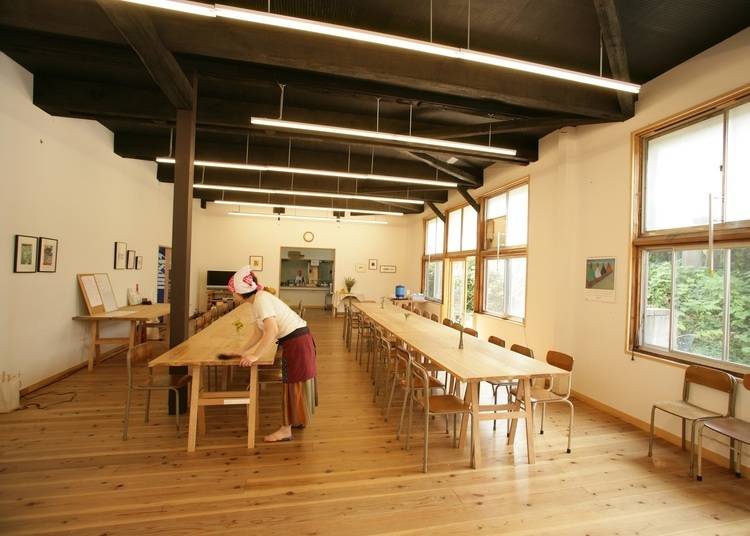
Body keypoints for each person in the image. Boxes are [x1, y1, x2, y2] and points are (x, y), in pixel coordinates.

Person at [229, 266, 317, 442]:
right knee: (294, 384)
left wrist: (255, 356)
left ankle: (286, 429)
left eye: (232, 291)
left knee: (291, 384)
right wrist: (244, 350)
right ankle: (297, 419)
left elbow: (271, 330)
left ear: (239, 292)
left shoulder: (261, 300)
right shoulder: (257, 301)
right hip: (296, 341)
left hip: (297, 343)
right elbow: (258, 332)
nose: (232, 295)